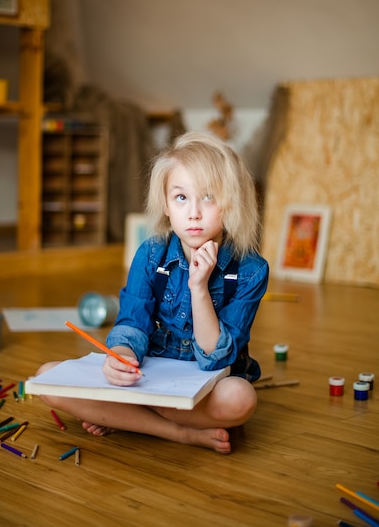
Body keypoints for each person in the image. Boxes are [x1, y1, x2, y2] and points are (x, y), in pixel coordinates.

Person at [35, 131, 269, 454]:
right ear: (166, 206)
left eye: (209, 197)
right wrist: (123, 359)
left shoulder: (251, 269)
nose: (194, 213)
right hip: (149, 374)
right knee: (47, 376)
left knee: (241, 399)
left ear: (232, 203)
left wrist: (199, 287)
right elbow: (132, 321)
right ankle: (179, 433)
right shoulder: (151, 252)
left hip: (205, 383)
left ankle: (127, 417)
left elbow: (217, 358)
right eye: (181, 198)